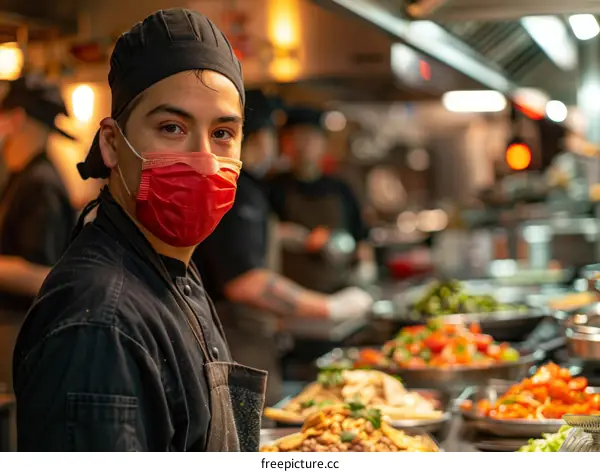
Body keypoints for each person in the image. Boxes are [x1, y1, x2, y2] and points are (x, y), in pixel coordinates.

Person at [13, 8, 266, 452]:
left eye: (223, 132)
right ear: (112, 143)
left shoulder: (170, 270)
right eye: (172, 127)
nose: (205, 161)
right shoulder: (99, 325)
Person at [193, 90, 373, 406]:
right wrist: (330, 309)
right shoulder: (240, 191)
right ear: (261, 137)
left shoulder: (248, 187)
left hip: (260, 332)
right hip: (236, 336)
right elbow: (245, 282)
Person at [0, 75, 78, 394]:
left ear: (15, 119)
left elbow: (44, 276)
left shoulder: (41, 183)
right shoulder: (23, 175)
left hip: (23, 335)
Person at [269, 106, 377, 294]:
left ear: (323, 143)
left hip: (339, 291)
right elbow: (265, 234)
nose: (303, 146)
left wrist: (365, 271)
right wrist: (297, 237)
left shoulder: (341, 188)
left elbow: (362, 238)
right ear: (284, 144)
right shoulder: (271, 187)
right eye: (295, 138)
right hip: (292, 294)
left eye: (309, 138)